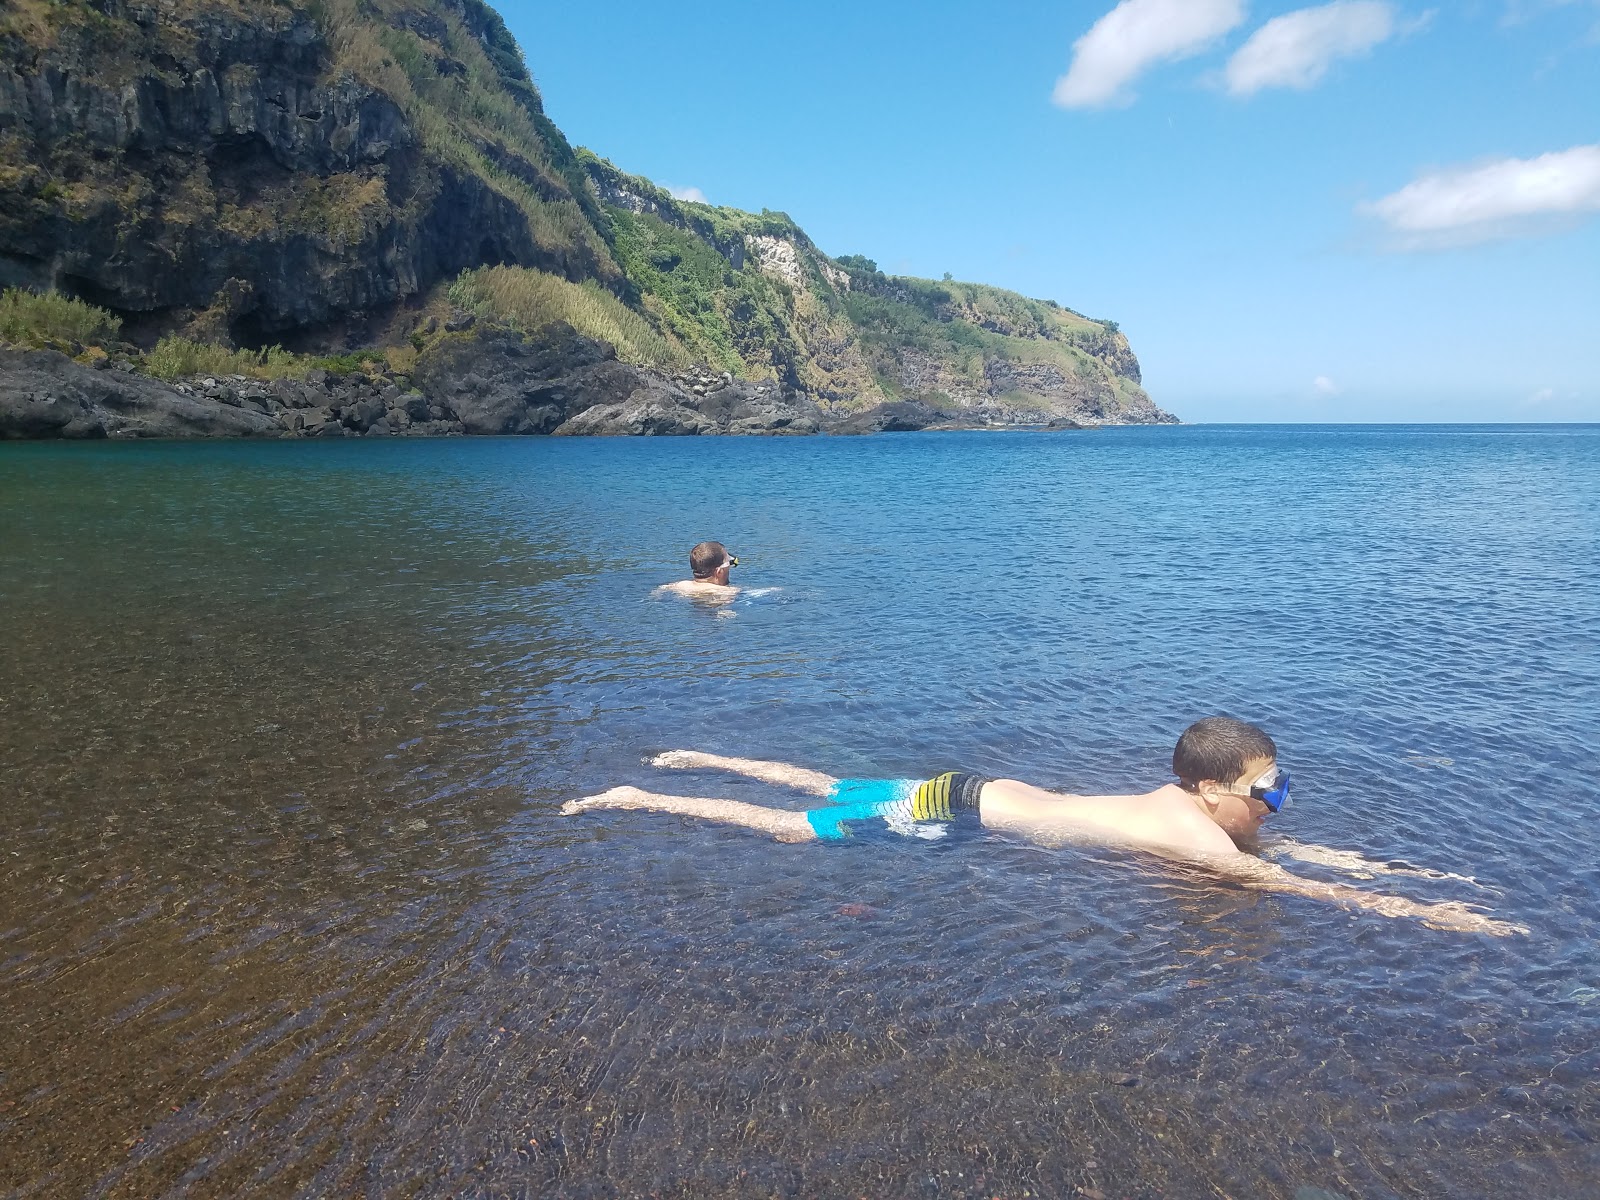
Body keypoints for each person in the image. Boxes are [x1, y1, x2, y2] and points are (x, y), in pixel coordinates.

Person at [562, 716, 1526, 937]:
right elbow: (1301, 887)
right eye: (1268, 793)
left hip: (978, 789)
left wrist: (1414, 872)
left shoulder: (1191, 817)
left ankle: (697, 753)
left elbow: (1302, 854)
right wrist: (1435, 917)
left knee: (829, 780)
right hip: (950, 814)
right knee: (794, 826)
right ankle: (642, 796)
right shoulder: (1198, 841)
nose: (1278, 807)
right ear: (1208, 793)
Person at [655, 540, 740, 603]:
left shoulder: (679, 585)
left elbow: (657, 594)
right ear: (719, 572)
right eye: (729, 562)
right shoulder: (729, 592)